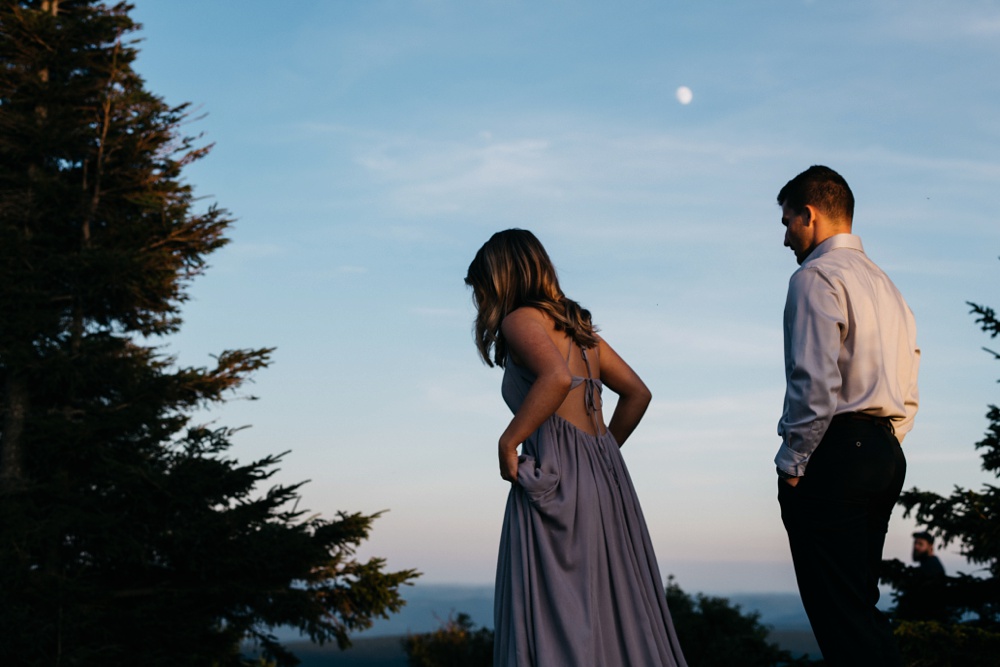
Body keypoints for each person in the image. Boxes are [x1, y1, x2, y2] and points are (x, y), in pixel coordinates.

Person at [465, 229, 688, 667]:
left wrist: (508, 442)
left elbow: (555, 378)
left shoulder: (518, 319)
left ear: (502, 277)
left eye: (483, 288)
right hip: (604, 478)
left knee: (558, 617)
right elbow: (638, 394)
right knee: (611, 609)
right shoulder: (581, 332)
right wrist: (599, 453)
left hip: (554, 482)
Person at [774, 166, 920, 666]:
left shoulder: (815, 277)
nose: (785, 236)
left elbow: (813, 382)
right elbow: (909, 383)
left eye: (787, 221)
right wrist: (886, 440)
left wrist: (792, 464)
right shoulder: (888, 287)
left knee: (839, 618)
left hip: (835, 452)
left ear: (809, 216)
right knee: (859, 606)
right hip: (883, 452)